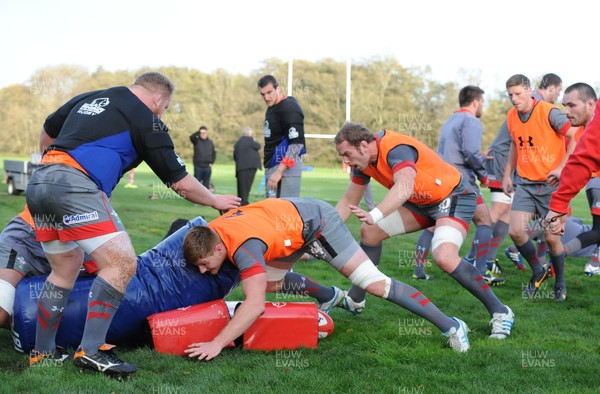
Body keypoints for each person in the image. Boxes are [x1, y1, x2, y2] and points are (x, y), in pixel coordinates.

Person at [24, 71, 241, 377]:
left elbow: (48, 129)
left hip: (40, 183)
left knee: (64, 269)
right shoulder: (147, 119)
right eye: (164, 108)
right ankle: (93, 350)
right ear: (158, 100)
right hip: (75, 185)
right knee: (123, 263)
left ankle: (42, 353)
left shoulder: (92, 97)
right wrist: (215, 201)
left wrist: (49, 162)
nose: (162, 114)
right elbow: (180, 182)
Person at [183, 198, 472, 361]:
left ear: (219, 248)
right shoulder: (213, 230)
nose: (205, 271)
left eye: (206, 265)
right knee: (270, 283)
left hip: (318, 224)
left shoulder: (244, 249)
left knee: (376, 285)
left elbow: (255, 305)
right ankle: (329, 296)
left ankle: (452, 326)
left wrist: (217, 343)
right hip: (288, 226)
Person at [334, 122, 514, 339]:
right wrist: (323, 231)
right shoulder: (363, 162)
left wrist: (375, 214)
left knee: (444, 257)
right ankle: (356, 299)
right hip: (422, 203)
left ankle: (501, 311)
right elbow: (348, 200)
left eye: (347, 154)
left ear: (363, 145)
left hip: (452, 196)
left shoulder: (395, 148)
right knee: (370, 233)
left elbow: (404, 187)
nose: (345, 161)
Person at [412, 86, 503, 285]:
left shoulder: (449, 120)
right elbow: (469, 152)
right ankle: (481, 272)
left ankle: (418, 270)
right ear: (477, 102)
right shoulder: (471, 120)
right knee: (484, 222)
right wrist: (484, 175)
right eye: (483, 103)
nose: (482, 107)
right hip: (462, 182)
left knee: (434, 224)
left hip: (441, 180)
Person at [502, 74, 577, 302]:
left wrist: (562, 168)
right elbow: (516, 143)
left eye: (518, 93)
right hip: (525, 183)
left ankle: (560, 282)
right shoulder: (511, 116)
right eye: (510, 95)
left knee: (552, 238)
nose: (514, 99)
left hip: (551, 186)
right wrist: (507, 174)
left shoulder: (549, 111)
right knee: (515, 230)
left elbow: (575, 136)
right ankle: (538, 270)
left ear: (529, 90)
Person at [257, 75, 306, 198]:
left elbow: (297, 144)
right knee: (271, 212)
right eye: (263, 94)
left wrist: (279, 171)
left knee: (285, 211)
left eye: (269, 92)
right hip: (272, 166)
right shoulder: (271, 108)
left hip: (284, 171)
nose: (266, 98)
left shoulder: (289, 107)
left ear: (278, 88)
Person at [233, 126, 262, 206]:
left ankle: (240, 202)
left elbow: (235, 156)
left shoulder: (238, 142)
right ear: (250, 133)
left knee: (241, 187)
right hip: (249, 167)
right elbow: (258, 146)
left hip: (240, 167)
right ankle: (244, 204)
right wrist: (254, 140)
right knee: (246, 187)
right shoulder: (249, 140)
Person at [189, 125, 216, 189]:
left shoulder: (210, 142)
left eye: (205, 133)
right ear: (200, 133)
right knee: (196, 184)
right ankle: (195, 198)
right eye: (202, 133)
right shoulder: (196, 141)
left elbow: (214, 153)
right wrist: (198, 131)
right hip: (198, 167)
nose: (203, 134)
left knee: (206, 185)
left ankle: (205, 199)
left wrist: (212, 162)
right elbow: (191, 137)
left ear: (207, 133)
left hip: (207, 167)